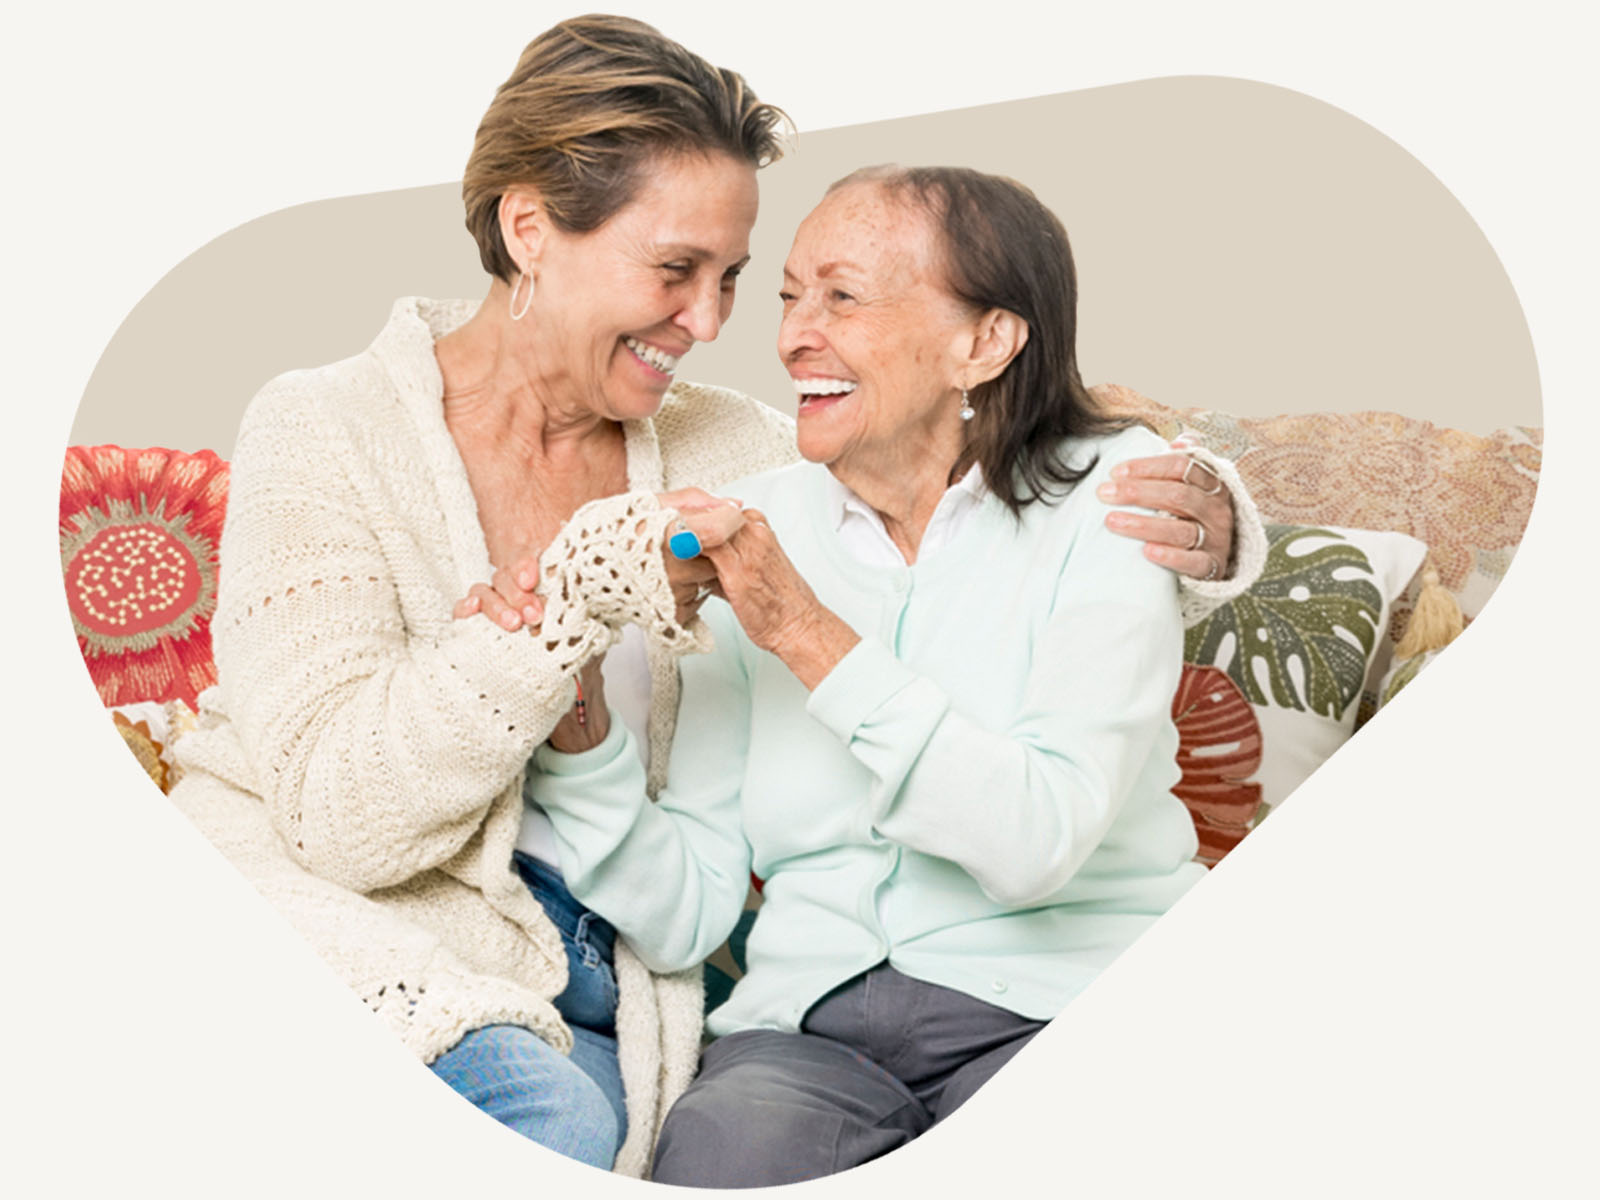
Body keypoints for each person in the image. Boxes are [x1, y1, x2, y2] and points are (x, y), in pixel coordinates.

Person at [166, 15, 1258, 1179]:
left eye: (736, 279)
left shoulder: (741, 466)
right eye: (677, 271)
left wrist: (1220, 517)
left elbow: (994, 474)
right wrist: (558, 638)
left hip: (602, 956)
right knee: (577, 1132)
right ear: (528, 227)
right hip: (375, 913)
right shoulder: (328, 426)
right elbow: (340, 816)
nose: (721, 327)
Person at [519, 163, 1265, 1186]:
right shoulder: (755, 525)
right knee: (726, 1156)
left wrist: (806, 634)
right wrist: (579, 717)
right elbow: (687, 906)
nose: (791, 334)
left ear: (985, 342)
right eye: (787, 296)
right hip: (808, 1036)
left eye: (841, 295)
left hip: (1064, 998)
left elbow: (1035, 838)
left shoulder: (1118, 499)